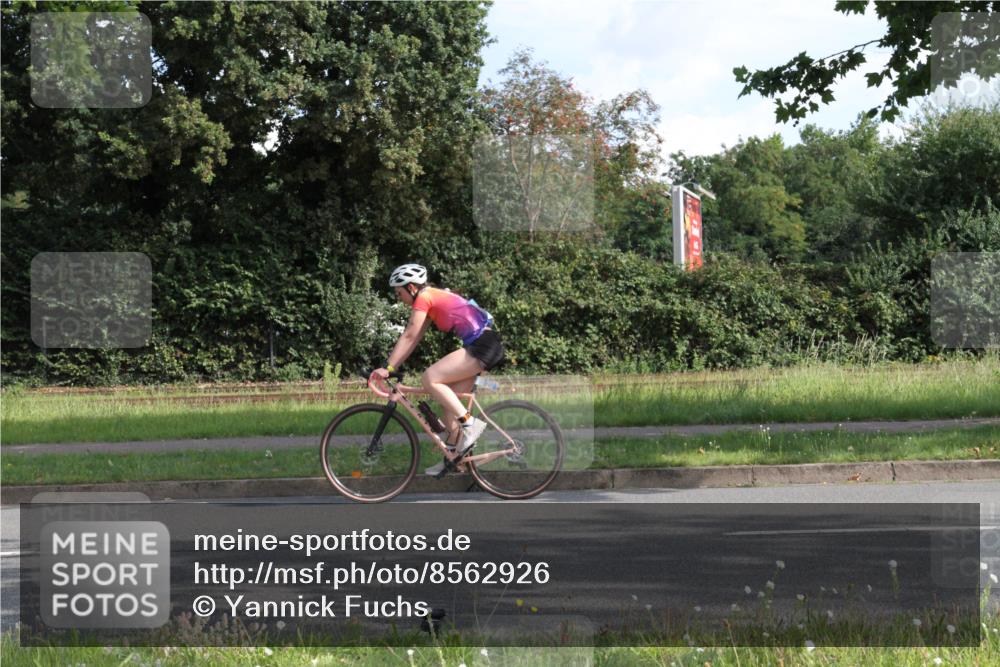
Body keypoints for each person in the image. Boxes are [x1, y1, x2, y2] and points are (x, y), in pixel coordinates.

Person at [372, 263, 506, 476]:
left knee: (430, 378)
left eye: (399, 293)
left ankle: (470, 424)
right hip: (483, 344)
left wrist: (388, 368)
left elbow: (408, 334)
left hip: (482, 345)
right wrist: (392, 366)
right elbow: (413, 339)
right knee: (449, 400)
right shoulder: (429, 299)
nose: (399, 299)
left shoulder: (425, 297)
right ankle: (454, 459)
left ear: (412, 288)